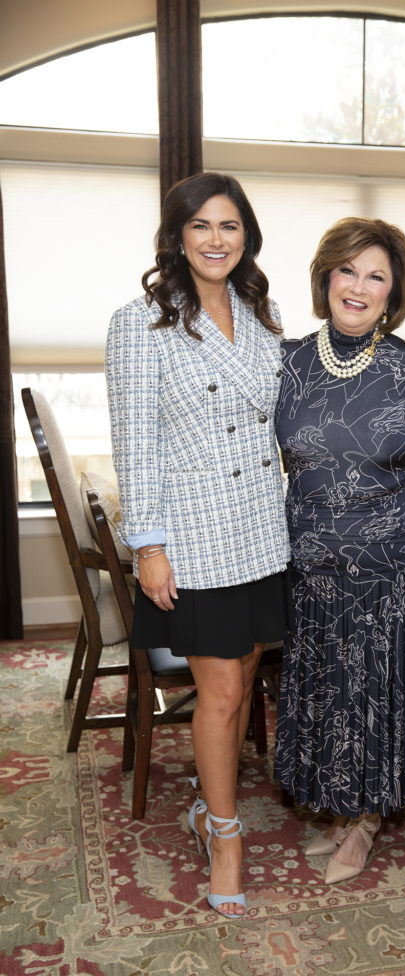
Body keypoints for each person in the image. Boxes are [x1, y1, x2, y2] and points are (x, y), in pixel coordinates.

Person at [105, 171, 290, 919]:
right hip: (193, 534)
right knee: (217, 692)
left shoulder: (263, 310)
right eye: (202, 226)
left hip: (260, 526)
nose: (217, 240)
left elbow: (279, 420)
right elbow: (135, 444)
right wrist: (148, 546)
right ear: (177, 237)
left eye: (231, 226)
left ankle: (207, 810)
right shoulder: (139, 321)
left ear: (247, 236)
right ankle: (224, 834)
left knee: (244, 683)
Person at [274, 217, 405, 884]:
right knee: (325, 688)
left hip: (387, 563)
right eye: (348, 270)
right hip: (308, 563)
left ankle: (365, 819)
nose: (359, 286)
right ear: (325, 276)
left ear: (393, 293)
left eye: (377, 276)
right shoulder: (285, 359)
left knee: (371, 688)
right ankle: (338, 808)